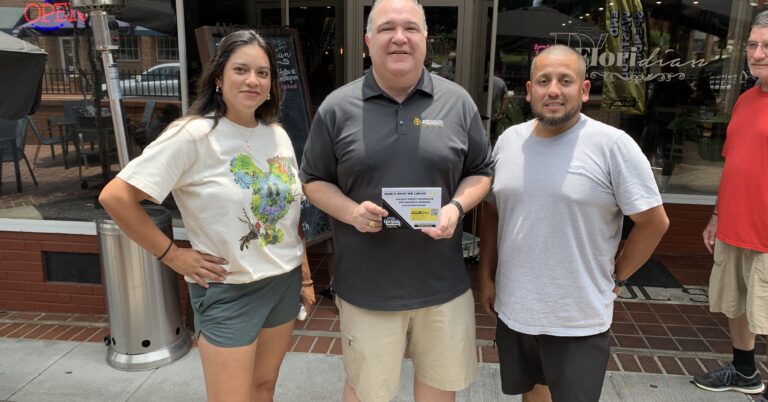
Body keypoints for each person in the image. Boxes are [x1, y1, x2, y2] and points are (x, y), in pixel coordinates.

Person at [98, 30, 315, 401]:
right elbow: (116, 197)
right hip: (229, 289)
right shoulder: (193, 135)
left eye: (263, 73)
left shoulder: (276, 135)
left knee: (264, 388)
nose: (253, 80)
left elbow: (289, 213)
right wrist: (173, 255)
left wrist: (306, 277)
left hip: (283, 282)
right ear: (218, 77)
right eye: (241, 69)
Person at [299, 0, 493, 400]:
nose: (399, 38)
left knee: (440, 391)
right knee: (366, 391)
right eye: (387, 28)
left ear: (425, 40)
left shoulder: (458, 103)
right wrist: (351, 212)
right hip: (367, 289)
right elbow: (313, 181)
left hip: (442, 287)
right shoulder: (337, 107)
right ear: (368, 41)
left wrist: (456, 207)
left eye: (411, 28)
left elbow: (481, 171)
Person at [478, 44, 669, 402]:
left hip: (577, 315)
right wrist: (486, 275)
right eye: (543, 80)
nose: (553, 90)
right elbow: (492, 212)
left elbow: (653, 222)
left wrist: (618, 277)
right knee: (531, 394)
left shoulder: (612, 145)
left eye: (565, 80)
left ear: (583, 89)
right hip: (516, 307)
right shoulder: (509, 141)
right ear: (530, 90)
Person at [694, 11, 768, 401]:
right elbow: (733, 161)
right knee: (736, 303)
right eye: (752, 45)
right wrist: (717, 215)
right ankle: (744, 372)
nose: (756, 53)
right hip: (736, 223)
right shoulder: (744, 100)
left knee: (765, 307)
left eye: (766, 45)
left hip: (766, 232)